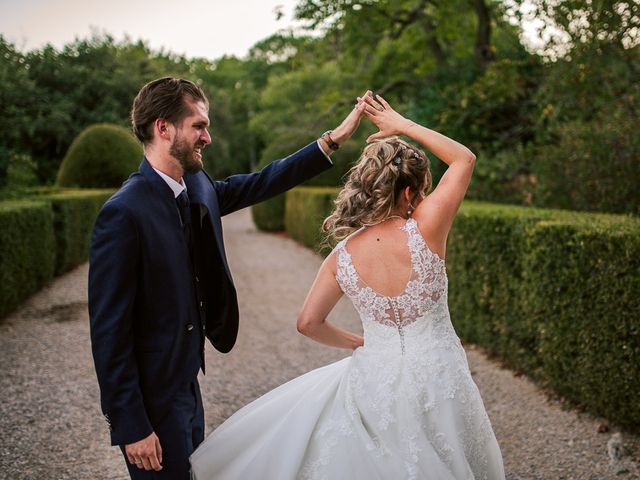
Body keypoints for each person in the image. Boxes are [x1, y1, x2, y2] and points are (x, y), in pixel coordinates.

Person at [189, 94, 506, 479]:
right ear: (409, 193)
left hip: (376, 373)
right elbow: (464, 158)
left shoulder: (341, 257)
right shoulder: (427, 228)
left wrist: (362, 342)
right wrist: (401, 124)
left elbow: (308, 322)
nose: (423, 197)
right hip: (442, 374)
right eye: (421, 190)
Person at [88, 77, 367, 480]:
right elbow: (108, 331)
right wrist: (132, 426)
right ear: (163, 128)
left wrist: (332, 140)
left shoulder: (197, 186)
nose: (208, 136)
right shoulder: (123, 213)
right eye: (198, 125)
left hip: (187, 385)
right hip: (152, 399)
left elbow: (261, 182)